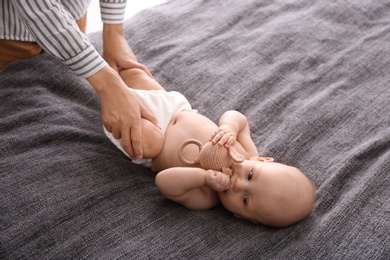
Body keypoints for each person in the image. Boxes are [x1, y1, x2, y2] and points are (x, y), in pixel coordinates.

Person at [105, 67, 316, 228]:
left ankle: (110, 96)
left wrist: (203, 178)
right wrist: (229, 127)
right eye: (251, 176)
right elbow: (238, 117)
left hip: (151, 142)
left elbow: (164, 182)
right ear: (263, 160)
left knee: (149, 139)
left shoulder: (205, 197)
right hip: (174, 107)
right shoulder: (248, 153)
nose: (238, 184)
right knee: (136, 75)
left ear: (239, 215)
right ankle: (114, 63)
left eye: (244, 199)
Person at [0, 0, 157, 160]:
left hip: (73, 17)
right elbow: (38, 8)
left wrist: (114, 31)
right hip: (9, 36)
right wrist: (108, 84)